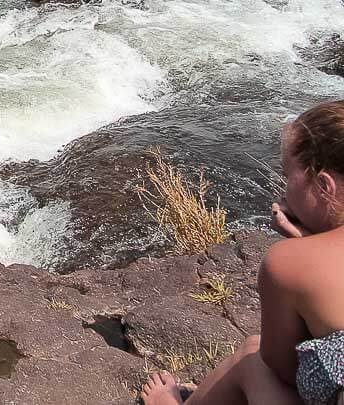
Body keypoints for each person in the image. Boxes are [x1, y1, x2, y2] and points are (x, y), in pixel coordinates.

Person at [140, 101, 344, 405]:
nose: (284, 191)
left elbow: (282, 367)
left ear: (324, 187)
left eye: (288, 176)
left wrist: (303, 250)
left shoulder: (288, 263)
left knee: (252, 359)